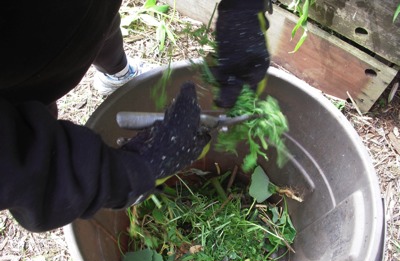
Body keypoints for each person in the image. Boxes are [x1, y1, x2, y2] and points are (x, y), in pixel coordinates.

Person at [0, 0, 270, 232]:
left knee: (98, 24)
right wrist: (121, 174)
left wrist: (243, 7)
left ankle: (118, 73)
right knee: (34, 116)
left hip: (81, 14)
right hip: (18, 68)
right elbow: (13, 164)